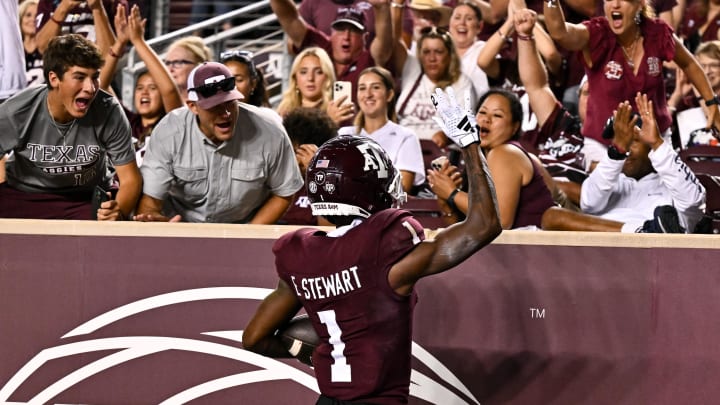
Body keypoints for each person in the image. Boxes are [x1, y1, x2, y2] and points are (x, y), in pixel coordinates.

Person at [242, 87, 502, 405]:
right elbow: (485, 224)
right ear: (366, 191)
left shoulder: (299, 254)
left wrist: (323, 350)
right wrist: (470, 143)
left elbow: (254, 338)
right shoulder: (383, 249)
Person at [543, 0, 720, 169]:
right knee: (606, 198)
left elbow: (689, 63)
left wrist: (712, 103)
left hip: (654, 142)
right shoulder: (595, 33)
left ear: (640, 3)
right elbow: (560, 32)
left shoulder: (657, 33)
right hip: (604, 146)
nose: (615, 4)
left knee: (667, 198)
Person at [134, 62, 303, 224]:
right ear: (193, 106)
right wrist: (157, 223)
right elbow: (150, 202)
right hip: (182, 229)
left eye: (230, 102)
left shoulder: (270, 132)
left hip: (241, 227)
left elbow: (284, 192)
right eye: (214, 106)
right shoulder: (169, 132)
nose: (226, 113)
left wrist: (249, 235)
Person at [0, 34, 141, 220]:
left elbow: (131, 179)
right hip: (26, 194)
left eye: (95, 77)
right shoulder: (17, 110)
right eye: (79, 77)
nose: (91, 88)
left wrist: (118, 211)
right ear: (54, 78)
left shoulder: (109, 110)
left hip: (85, 197)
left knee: (109, 221)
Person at [542, 93, 707, 233]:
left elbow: (694, 202)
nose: (626, 149)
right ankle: (644, 232)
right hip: (602, 254)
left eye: (633, 141)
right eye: (620, 142)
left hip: (651, 257)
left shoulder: (672, 183)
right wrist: (617, 152)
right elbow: (589, 203)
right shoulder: (612, 178)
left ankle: (646, 233)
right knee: (552, 216)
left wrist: (657, 144)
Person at [428, 88, 556, 229]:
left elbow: (500, 221)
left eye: (497, 115)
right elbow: (467, 233)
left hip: (538, 247)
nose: (486, 119)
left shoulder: (505, 152)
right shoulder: (479, 160)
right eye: (482, 112)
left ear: (515, 127)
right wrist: (445, 201)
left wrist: (452, 193)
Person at [515, 8, 586, 200]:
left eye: (596, 94)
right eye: (586, 93)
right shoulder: (565, 126)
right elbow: (536, 86)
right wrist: (525, 36)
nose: (590, 100)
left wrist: (551, 186)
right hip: (535, 202)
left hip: (571, 208)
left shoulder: (614, 139)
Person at [100, 4, 183, 166]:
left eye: (152, 88)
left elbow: (170, 91)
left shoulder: (170, 122)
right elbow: (100, 87)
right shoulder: (127, 120)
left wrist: (138, 41)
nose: (144, 93)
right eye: (139, 88)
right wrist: (119, 44)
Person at [270, 0, 393, 103]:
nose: (346, 36)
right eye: (340, 29)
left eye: (354, 30)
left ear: (364, 37)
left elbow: (384, 42)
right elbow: (290, 18)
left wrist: (382, 8)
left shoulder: (369, 60)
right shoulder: (321, 47)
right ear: (331, 34)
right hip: (317, 125)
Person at [391, 24, 477, 144]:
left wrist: (446, 136)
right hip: (403, 145)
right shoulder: (412, 71)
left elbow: (465, 127)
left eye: (438, 52)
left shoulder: (462, 83)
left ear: (449, 55)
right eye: (426, 52)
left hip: (439, 153)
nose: (432, 58)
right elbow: (394, 40)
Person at [346, 66, 426, 193]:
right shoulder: (343, 134)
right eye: (362, 88)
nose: (368, 94)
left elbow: (402, 188)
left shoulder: (406, 137)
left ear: (389, 95)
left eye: (376, 87)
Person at [278, 107, 337, 226]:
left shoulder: (331, 185)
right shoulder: (277, 179)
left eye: (299, 152)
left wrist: (317, 174)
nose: (295, 159)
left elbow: (329, 230)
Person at [275, 47, 354, 126]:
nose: (310, 78)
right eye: (303, 72)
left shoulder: (338, 112)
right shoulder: (283, 114)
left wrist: (331, 123)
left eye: (319, 72)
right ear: (295, 79)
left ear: (327, 77)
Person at [35, 0, 114, 55]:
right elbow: (43, 48)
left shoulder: (111, 3)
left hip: (96, 70)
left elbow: (110, 55)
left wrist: (97, 8)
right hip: (61, 70)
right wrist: (63, 8)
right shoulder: (47, 3)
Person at [163, 35, 213, 104]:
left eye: (178, 62)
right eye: (168, 63)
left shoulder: (211, 101)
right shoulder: (159, 102)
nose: (170, 69)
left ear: (198, 66)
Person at [19, 0, 44, 87]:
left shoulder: (48, 50)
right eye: (28, 15)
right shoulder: (13, 52)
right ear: (20, 19)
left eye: (37, 15)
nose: (33, 19)